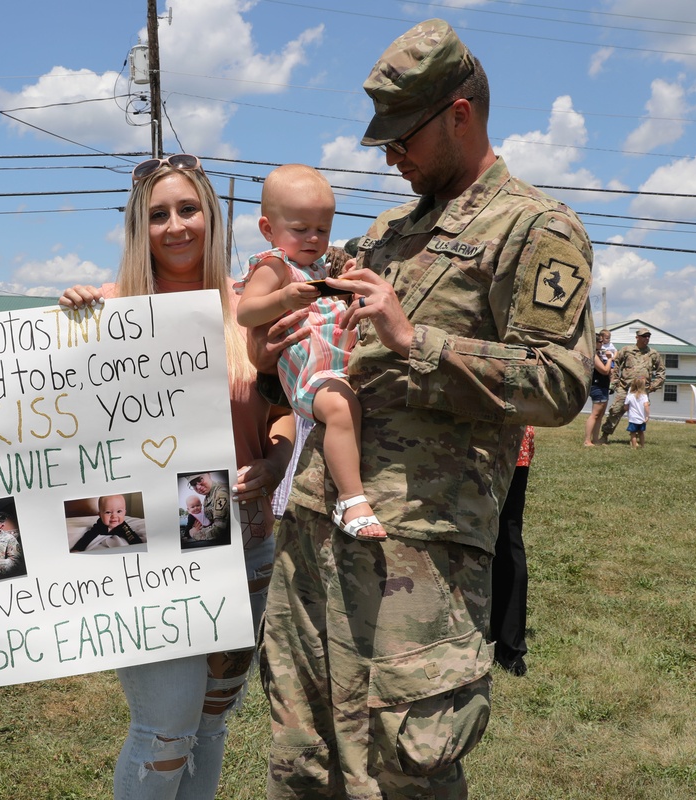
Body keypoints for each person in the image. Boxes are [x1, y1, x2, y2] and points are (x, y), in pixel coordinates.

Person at [255, 19, 594, 799]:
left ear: (460, 115)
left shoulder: (535, 228)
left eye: (403, 135)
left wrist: (416, 341)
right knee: (303, 755)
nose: (389, 155)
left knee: (400, 768)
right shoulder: (384, 234)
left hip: (421, 557)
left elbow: (559, 383)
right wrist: (283, 357)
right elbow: (333, 365)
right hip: (317, 526)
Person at [59, 153, 295, 800]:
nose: (175, 225)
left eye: (187, 209)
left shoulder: (250, 310)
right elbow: (55, 425)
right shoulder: (105, 312)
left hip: (245, 548)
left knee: (210, 728)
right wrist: (68, 329)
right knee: (165, 730)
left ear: (211, 217)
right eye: (157, 214)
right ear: (140, 226)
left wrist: (275, 461)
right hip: (142, 554)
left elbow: (280, 411)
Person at [235, 165, 384, 541]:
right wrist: (282, 297)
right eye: (300, 229)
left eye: (323, 230)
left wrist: (347, 280)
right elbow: (246, 311)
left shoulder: (315, 268)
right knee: (339, 408)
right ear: (268, 229)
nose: (313, 238)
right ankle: (350, 499)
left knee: (352, 407)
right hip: (310, 375)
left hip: (337, 368)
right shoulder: (275, 267)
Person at [491, 426, 534, 676]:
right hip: (512, 440)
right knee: (507, 536)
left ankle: (509, 648)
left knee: (507, 537)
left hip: (497, 442)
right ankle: (508, 648)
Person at [598, 328, 664, 444]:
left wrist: (652, 387)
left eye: (648, 336)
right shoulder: (626, 350)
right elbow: (616, 364)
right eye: (644, 336)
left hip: (642, 391)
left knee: (641, 414)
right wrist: (615, 381)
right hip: (624, 387)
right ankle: (605, 435)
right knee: (615, 410)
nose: (646, 338)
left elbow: (661, 373)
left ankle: (636, 438)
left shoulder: (653, 354)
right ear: (637, 337)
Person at [71, 494, 144, 552]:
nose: (114, 516)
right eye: (108, 512)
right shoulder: (100, 525)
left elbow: (131, 536)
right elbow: (87, 537)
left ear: (125, 513)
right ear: (100, 515)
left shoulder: (123, 526)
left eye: (119, 511)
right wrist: (77, 549)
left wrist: (140, 547)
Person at [184, 471, 231, 544]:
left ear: (209, 474)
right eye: (193, 484)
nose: (198, 487)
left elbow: (219, 529)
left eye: (200, 479)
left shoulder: (221, 493)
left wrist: (194, 534)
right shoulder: (207, 497)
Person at [584, 332, 613, 446]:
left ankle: (595, 440)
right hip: (597, 386)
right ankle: (587, 440)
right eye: (600, 341)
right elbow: (604, 370)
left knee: (600, 415)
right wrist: (610, 359)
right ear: (594, 342)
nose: (602, 343)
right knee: (595, 414)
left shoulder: (599, 354)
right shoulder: (593, 355)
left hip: (603, 386)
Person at [625, 376, 649, 449]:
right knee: (641, 433)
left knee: (633, 433)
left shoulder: (630, 396)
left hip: (633, 418)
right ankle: (642, 446)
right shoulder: (644, 396)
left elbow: (626, 406)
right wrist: (647, 415)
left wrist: (627, 409)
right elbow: (646, 406)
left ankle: (634, 447)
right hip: (642, 418)